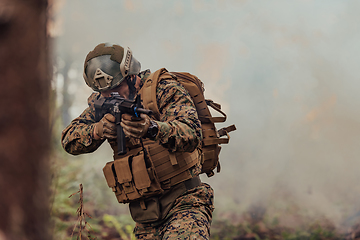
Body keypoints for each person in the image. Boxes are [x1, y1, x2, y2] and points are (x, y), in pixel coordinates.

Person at [61, 43, 214, 239]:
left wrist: (153, 128)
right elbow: (68, 139)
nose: (109, 96)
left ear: (131, 76)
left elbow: (191, 133)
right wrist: (97, 130)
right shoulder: (102, 101)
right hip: (145, 217)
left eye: (116, 88)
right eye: (104, 92)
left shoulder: (163, 89)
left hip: (185, 202)